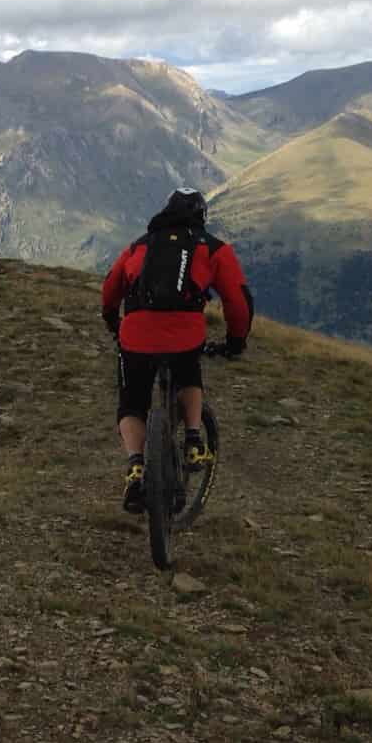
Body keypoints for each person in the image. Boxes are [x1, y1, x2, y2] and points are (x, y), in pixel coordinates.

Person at [100, 187, 254, 514]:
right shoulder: (212, 249)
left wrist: (113, 320)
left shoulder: (140, 245)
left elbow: (111, 286)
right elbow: (238, 302)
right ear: (201, 217)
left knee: (132, 401)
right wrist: (236, 341)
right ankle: (195, 441)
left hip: (136, 336)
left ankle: (136, 464)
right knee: (188, 372)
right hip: (185, 335)